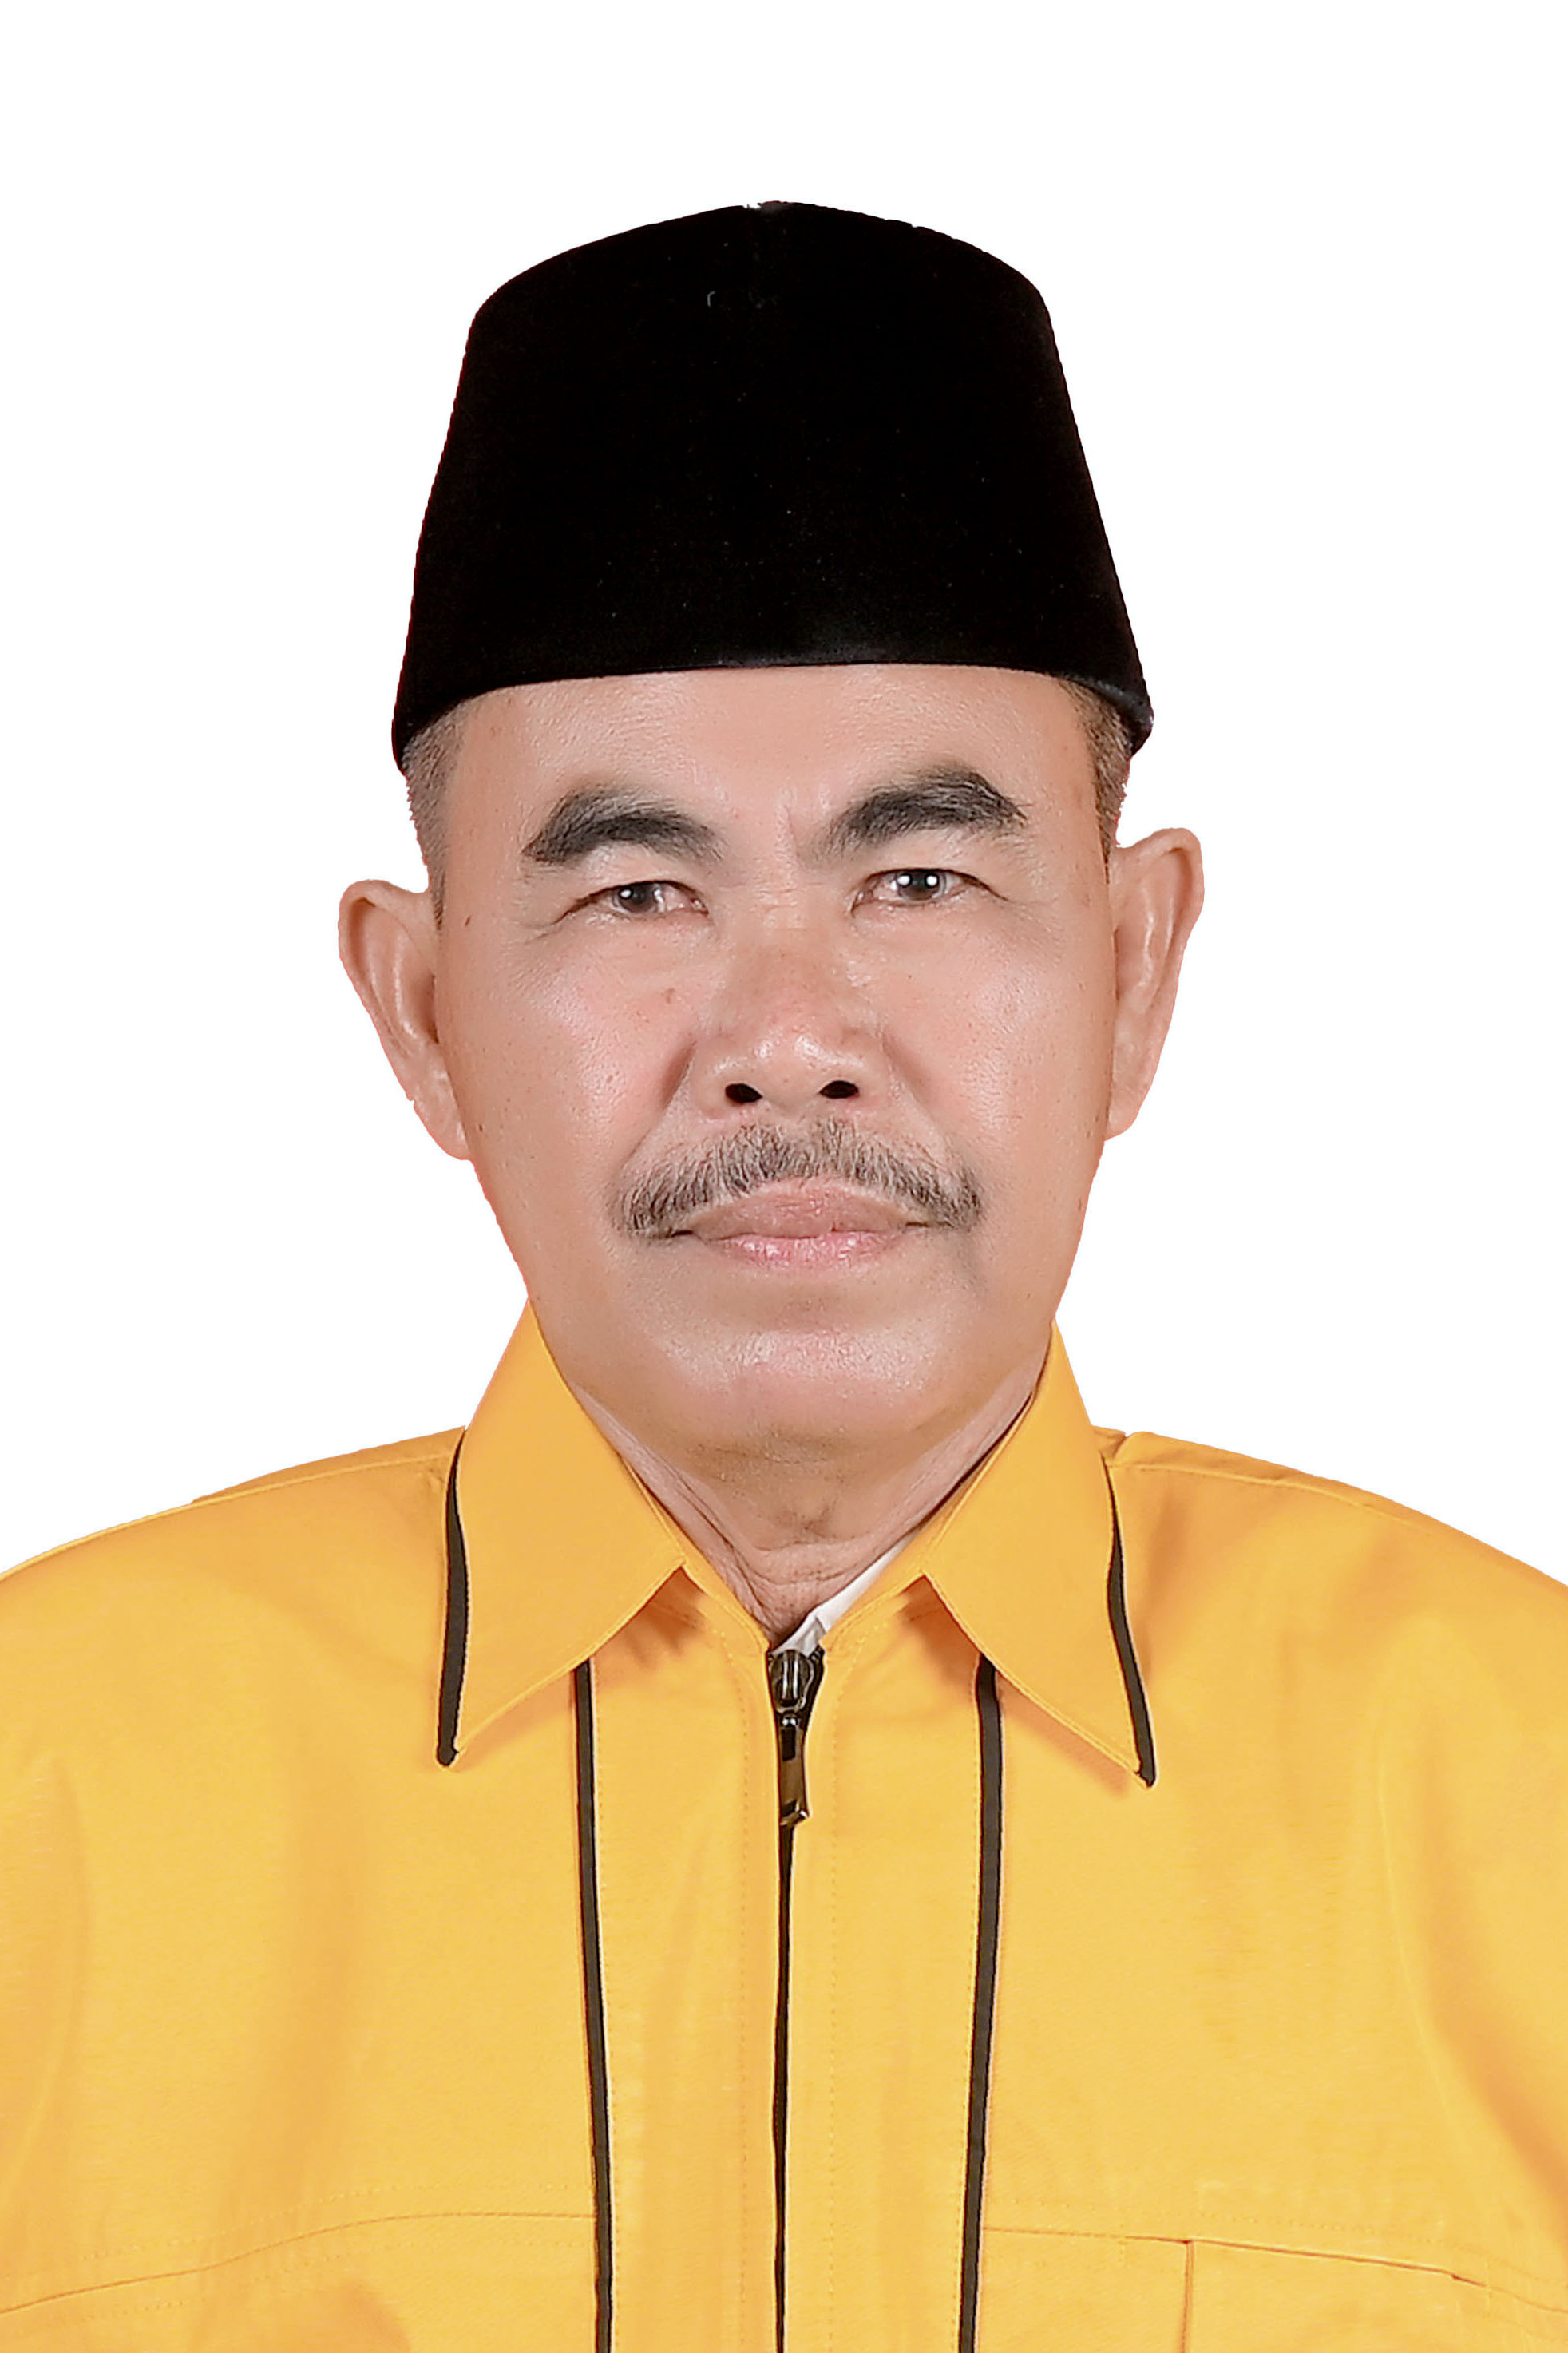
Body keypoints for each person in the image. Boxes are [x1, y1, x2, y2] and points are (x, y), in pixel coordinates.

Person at [2, 201, 1564, 2352]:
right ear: (425, 1010)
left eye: (917, 876)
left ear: (1131, 971)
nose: (788, 1034)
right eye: (637, 891)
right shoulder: (46, 1790)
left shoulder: (1522, 1789)